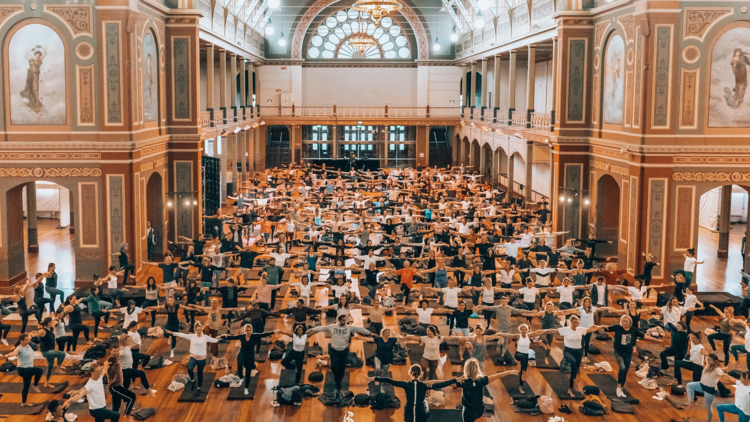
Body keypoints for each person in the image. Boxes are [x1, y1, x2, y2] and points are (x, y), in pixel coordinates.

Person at [536, 315, 606, 396]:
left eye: (577, 322)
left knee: (575, 369)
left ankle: (570, 387)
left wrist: (602, 326)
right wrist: (542, 331)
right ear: (571, 322)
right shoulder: (566, 329)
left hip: (578, 351)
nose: (575, 324)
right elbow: (553, 331)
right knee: (573, 362)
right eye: (574, 322)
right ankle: (573, 385)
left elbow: (591, 329)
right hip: (568, 351)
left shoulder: (580, 329)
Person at [364, 364, 457, 422]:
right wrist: (455, 380)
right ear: (420, 374)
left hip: (409, 409)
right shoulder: (424, 385)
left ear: (410, 373)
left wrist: (374, 378)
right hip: (420, 410)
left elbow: (389, 380)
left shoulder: (406, 385)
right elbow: (442, 384)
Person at [307, 314, 374, 391]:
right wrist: (312, 330)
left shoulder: (349, 328)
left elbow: (359, 329)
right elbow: (322, 328)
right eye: (343, 320)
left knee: (342, 367)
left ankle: (338, 381)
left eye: (345, 320)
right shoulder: (332, 327)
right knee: (334, 367)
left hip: (344, 351)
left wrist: (370, 333)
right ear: (338, 320)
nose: (344, 321)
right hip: (334, 350)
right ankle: (337, 377)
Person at [452, 358, 519, 422]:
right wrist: (509, 372)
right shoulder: (482, 380)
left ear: (466, 369)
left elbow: (450, 384)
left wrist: (442, 382)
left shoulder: (463, 381)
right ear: (477, 369)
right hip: (479, 410)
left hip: (468, 411)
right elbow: (497, 375)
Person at [222, 325, 280, 395]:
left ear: (251, 331)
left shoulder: (255, 336)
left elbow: (264, 334)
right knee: (239, 366)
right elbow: (233, 337)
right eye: (247, 330)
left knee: (248, 373)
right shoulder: (242, 336)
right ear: (245, 331)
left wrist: (273, 332)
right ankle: (241, 378)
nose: (248, 332)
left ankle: (246, 388)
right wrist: (224, 336)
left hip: (250, 356)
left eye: (250, 330)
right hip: (242, 354)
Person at [165, 322, 219, 392]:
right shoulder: (192, 336)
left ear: (202, 330)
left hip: (202, 359)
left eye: (200, 330)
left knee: (200, 374)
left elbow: (214, 340)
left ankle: (199, 387)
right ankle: (193, 380)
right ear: (195, 330)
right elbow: (182, 335)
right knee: (190, 369)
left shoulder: (205, 337)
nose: (199, 331)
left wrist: (221, 337)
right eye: (197, 330)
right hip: (193, 357)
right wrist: (172, 333)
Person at [686, 353, 736, 422]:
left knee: (708, 407)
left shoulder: (717, 369)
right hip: (701, 385)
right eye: (707, 359)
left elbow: (725, 376)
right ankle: (691, 401)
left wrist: (734, 380)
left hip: (710, 390)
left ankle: (709, 420)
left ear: (714, 361)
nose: (707, 361)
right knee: (689, 385)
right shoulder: (708, 365)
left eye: (709, 360)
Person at [0, 333, 43, 407]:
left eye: (28, 340)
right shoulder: (19, 348)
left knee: (26, 386)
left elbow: (29, 336)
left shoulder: (27, 345)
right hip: (23, 369)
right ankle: (35, 385)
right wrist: (5, 356)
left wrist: (33, 333)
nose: (28, 341)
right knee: (39, 370)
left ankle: (24, 402)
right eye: (26, 340)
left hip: (28, 368)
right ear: (21, 341)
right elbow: (13, 354)